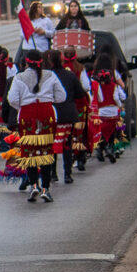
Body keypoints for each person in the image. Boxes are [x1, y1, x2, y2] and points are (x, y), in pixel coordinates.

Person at [7, 49, 66, 202]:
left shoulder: (19, 77)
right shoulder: (50, 75)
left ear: (27, 62)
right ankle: (46, 188)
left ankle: (34, 185)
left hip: (27, 116)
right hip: (47, 115)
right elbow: (62, 96)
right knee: (46, 153)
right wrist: (48, 99)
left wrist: (23, 105)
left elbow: (12, 99)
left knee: (29, 153)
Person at [46, 50, 87, 184]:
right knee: (67, 145)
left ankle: (53, 174)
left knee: (51, 144)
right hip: (68, 114)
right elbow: (80, 93)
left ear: (50, 61)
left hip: (52, 114)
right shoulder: (70, 75)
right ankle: (67, 174)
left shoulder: (46, 76)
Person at [91, 55, 126, 164]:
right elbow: (119, 97)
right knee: (112, 131)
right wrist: (119, 105)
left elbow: (97, 98)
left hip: (101, 112)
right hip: (113, 112)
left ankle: (100, 149)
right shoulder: (114, 85)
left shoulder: (95, 81)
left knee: (101, 131)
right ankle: (110, 148)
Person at [62, 46, 91, 171]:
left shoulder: (60, 69)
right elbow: (86, 86)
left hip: (65, 104)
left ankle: (71, 156)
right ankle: (80, 158)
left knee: (68, 132)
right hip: (79, 104)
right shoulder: (80, 68)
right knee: (80, 132)